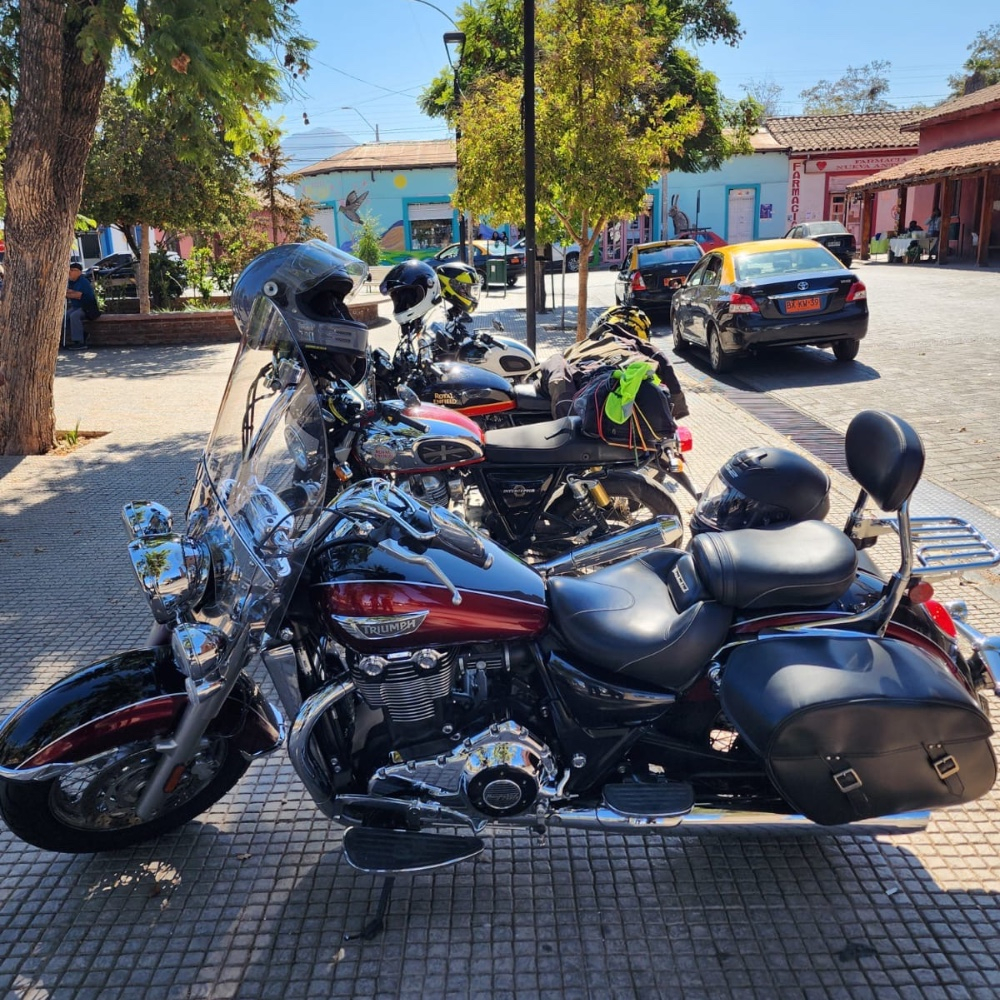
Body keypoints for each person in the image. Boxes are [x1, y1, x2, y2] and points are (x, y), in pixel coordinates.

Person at [65, 262, 99, 349]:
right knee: (65, 317)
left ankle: (79, 342)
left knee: (74, 316)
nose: (70, 272)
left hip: (87, 308)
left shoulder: (83, 282)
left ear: (79, 272)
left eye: (72, 270)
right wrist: (68, 292)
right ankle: (83, 334)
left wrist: (66, 294)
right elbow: (70, 291)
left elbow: (78, 295)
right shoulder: (71, 282)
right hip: (76, 307)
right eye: (69, 270)